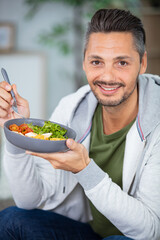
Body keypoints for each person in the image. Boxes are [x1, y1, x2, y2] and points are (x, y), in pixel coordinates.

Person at [0, 8, 159, 240]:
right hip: (85, 231)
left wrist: (85, 169)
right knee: (11, 219)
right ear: (84, 62)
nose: (107, 76)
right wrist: (16, 132)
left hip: (134, 236)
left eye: (122, 63)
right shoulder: (72, 107)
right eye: (96, 61)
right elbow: (30, 200)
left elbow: (150, 231)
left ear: (142, 63)